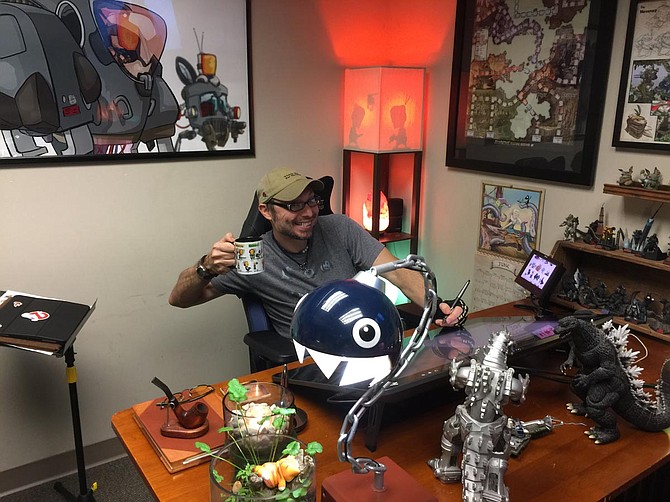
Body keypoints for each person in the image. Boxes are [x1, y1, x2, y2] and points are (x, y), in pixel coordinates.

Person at [169, 167, 468, 338]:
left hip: (366, 339)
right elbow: (179, 300)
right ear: (266, 211)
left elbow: (399, 272)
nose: (308, 213)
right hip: (312, 359)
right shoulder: (252, 257)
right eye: (293, 205)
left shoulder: (339, 227)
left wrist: (436, 306)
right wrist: (206, 266)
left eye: (311, 201)